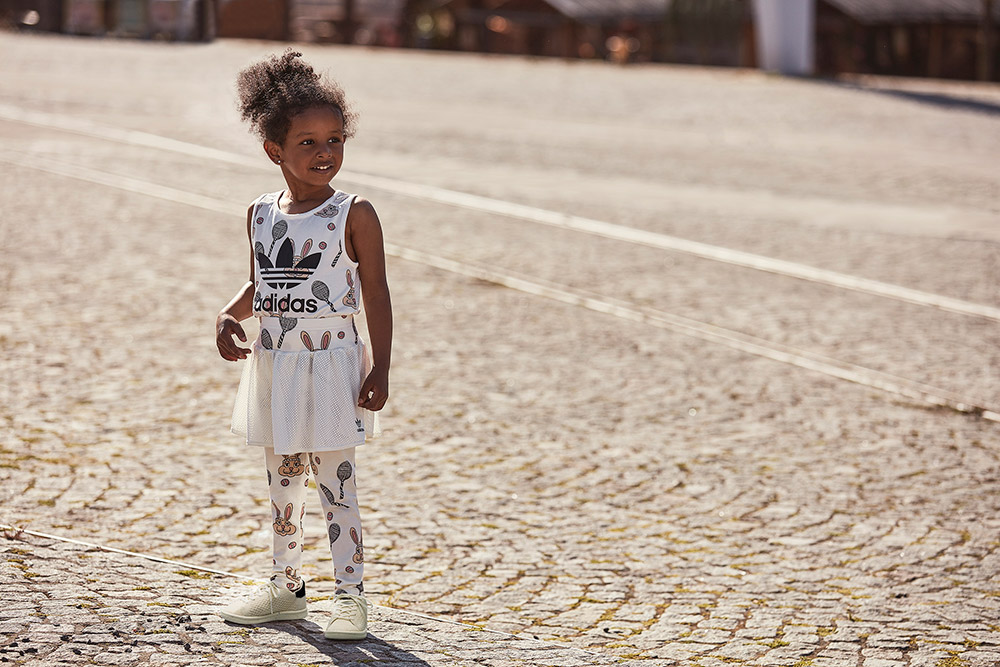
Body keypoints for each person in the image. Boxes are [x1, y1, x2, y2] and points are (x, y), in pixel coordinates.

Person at [214, 50, 392, 641]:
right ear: (275, 150)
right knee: (283, 483)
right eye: (309, 142)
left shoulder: (354, 213)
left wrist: (381, 367)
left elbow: (376, 293)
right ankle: (285, 587)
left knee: (337, 485)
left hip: (333, 367)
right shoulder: (259, 213)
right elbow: (263, 283)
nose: (325, 153)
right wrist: (229, 314)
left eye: (335, 140)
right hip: (277, 366)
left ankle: (351, 596)